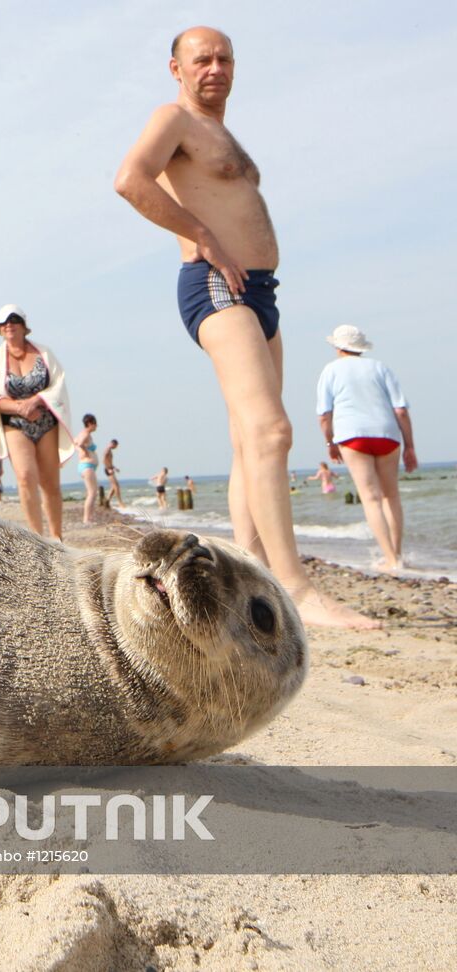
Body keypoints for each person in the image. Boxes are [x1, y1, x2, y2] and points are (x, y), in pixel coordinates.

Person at [113, 26, 375, 628]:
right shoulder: (172, 119)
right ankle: (297, 590)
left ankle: (248, 571)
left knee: (247, 442)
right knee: (272, 432)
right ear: (175, 68)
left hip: (260, 292)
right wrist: (203, 236)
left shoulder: (221, 133)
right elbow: (130, 180)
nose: (214, 67)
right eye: (200, 59)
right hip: (214, 282)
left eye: (224, 58)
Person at [316, 324, 418, 572]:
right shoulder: (380, 367)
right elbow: (401, 410)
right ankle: (398, 555)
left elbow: (324, 414)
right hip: (387, 434)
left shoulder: (331, 370)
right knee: (391, 496)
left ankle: (389, 559)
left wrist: (330, 442)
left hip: (352, 435)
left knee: (371, 499)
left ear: (338, 347)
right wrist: (410, 447)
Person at [0, 304, 74, 541]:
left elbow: (58, 384)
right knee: (24, 476)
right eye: (4, 322)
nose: (9, 324)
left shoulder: (44, 353)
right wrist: (19, 407)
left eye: (14, 320)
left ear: (23, 325)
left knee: (50, 483)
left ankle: (57, 537)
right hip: (15, 423)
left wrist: (36, 401)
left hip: (45, 421)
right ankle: (37, 538)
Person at [75, 414, 100, 526]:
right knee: (92, 493)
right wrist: (85, 452)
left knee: (92, 492)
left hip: (86, 466)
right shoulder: (85, 434)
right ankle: (86, 519)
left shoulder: (80, 434)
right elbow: (80, 444)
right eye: (95, 424)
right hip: (87, 466)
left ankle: (89, 517)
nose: (96, 426)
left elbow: (75, 443)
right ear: (90, 423)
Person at [102, 439, 124, 508]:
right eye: (116, 446)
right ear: (113, 444)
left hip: (110, 469)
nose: (116, 448)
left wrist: (114, 468)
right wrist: (108, 469)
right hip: (108, 470)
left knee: (113, 487)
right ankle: (120, 503)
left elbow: (109, 461)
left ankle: (107, 500)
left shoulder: (109, 450)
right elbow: (104, 460)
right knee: (116, 486)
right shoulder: (107, 450)